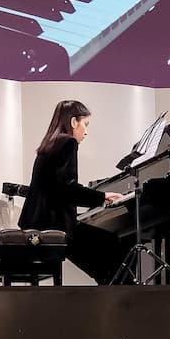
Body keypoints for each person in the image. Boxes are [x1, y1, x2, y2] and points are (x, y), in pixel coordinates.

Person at [18, 100, 125, 282]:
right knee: (114, 244)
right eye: (85, 124)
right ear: (74, 122)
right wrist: (101, 197)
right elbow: (67, 188)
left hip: (37, 222)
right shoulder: (68, 143)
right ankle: (116, 297)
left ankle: (109, 290)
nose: (86, 131)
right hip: (55, 226)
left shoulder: (48, 145)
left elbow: (59, 187)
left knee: (104, 255)